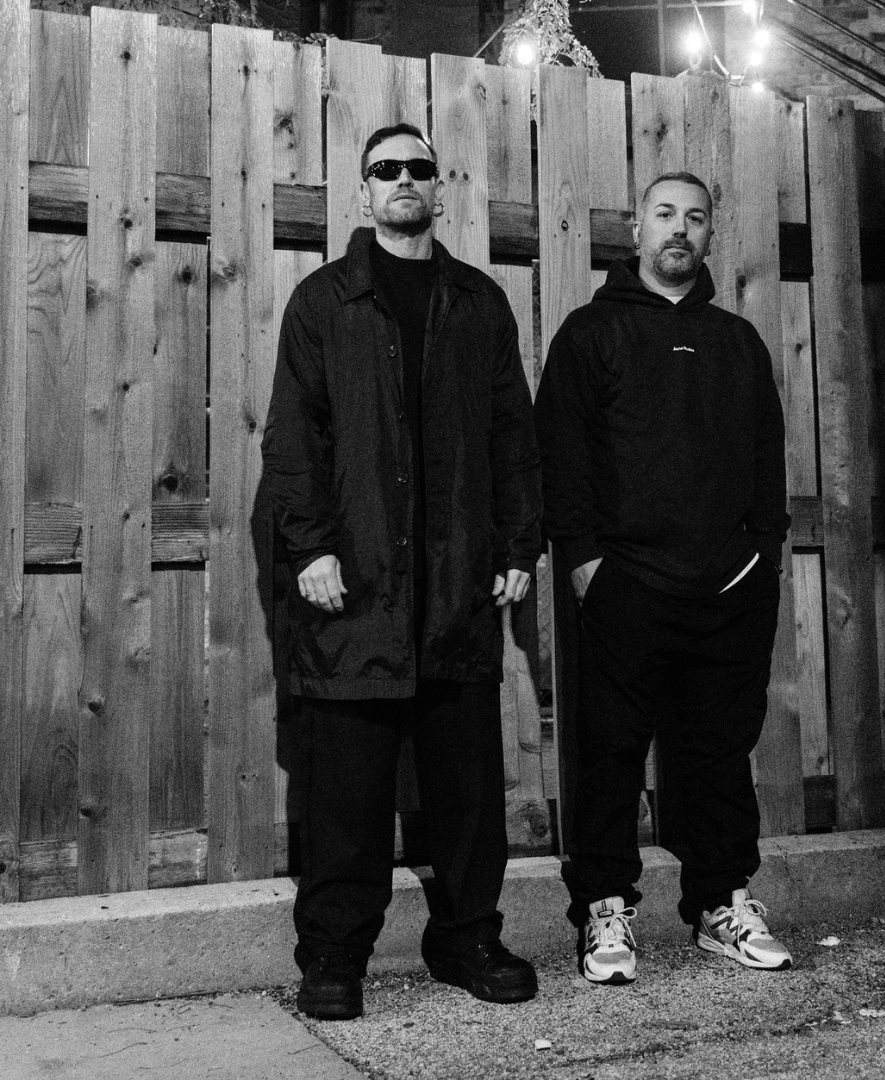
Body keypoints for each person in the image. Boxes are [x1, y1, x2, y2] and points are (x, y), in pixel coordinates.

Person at [262, 123, 542, 1020]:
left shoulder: (478, 302)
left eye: (419, 168)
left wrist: (517, 547)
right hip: (356, 590)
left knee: (468, 793)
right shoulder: (323, 302)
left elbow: (512, 435)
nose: (404, 180)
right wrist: (311, 547)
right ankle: (333, 959)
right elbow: (293, 438)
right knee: (346, 799)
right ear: (364, 192)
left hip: (457, 587)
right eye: (386, 169)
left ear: (439, 189)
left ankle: (468, 940)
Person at [534, 171, 792, 985]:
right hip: (627, 586)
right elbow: (560, 456)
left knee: (721, 752)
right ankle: (606, 909)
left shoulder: (736, 341)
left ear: (710, 234)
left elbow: (768, 459)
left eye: (695, 218)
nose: (680, 229)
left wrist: (763, 560)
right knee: (610, 753)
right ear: (636, 229)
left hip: (730, 588)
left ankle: (723, 902)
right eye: (665, 215)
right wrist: (586, 563)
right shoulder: (591, 333)